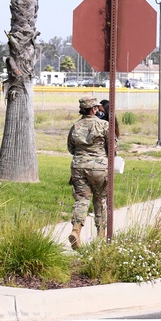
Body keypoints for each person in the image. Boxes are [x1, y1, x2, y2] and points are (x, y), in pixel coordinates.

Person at [67, 96, 109, 249]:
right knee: (100, 200)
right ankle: (101, 236)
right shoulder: (104, 125)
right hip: (99, 167)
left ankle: (76, 231)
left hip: (78, 166)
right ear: (93, 109)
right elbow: (112, 148)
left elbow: (71, 148)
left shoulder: (75, 126)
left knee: (82, 200)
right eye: (97, 108)